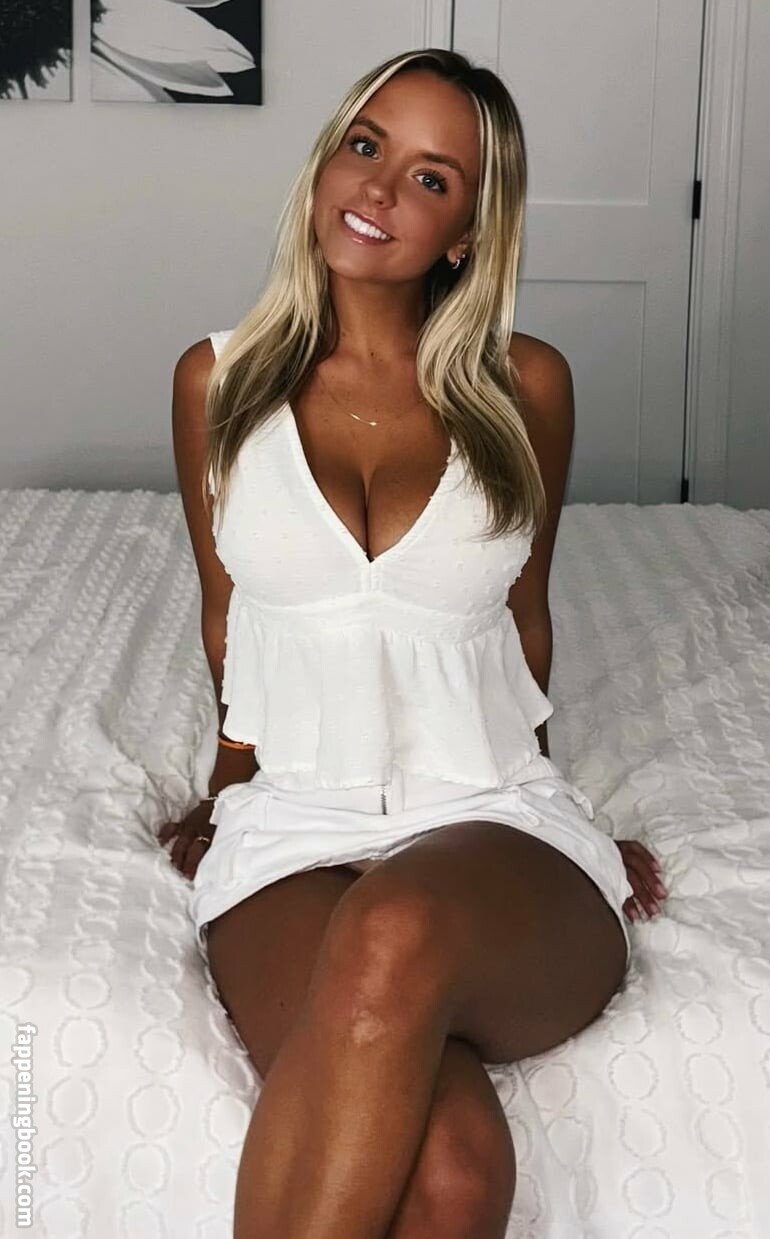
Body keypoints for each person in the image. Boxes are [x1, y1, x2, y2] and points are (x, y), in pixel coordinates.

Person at [158, 47, 667, 1239]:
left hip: (489, 814)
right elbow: (227, 612)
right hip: (294, 826)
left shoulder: (526, 385)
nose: (380, 189)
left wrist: (561, 805)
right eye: (367, 145)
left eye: (433, 178)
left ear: (467, 234)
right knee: (451, 1175)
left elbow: (526, 613)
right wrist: (226, 784)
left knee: (396, 925)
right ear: (327, 159)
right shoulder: (217, 382)